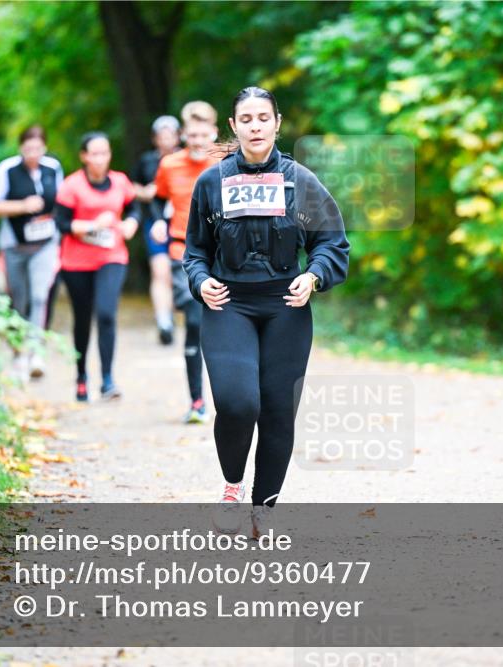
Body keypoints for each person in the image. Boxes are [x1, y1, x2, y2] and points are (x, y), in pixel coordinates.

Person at [183, 87, 350, 537]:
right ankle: (233, 488)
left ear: (278, 123)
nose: (256, 126)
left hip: (285, 306)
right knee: (239, 404)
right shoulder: (211, 182)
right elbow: (194, 252)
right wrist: (201, 282)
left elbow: (332, 243)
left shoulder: (302, 181)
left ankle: (265, 510)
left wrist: (313, 276)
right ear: (233, 127)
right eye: (246, 119)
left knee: (277, 411)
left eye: (264, 118)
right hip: (228, 304)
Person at [54, 132, 140, 402]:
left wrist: (130, 224)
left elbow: (135, 208)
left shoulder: (120, 182)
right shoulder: (72, 186)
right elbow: (61, 224)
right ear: (84, 156)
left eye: (105, 153)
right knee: (82, 319)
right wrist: (92, 226)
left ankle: (107, 379)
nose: (100, 159)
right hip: (76, 261)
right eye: (94, 153)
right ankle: (81, 377)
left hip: (111, 257)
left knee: (105, 313)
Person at [151, 101, 221, 424]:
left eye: (203, 135)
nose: (196, 141)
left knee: (224, 327)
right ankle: (196, 401)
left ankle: (231, 399)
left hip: (223, 256)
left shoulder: (226, 163)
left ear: (215, 134)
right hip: (184, 252)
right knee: (194, 322)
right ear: (183, 135)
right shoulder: (169, 165)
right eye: (191, 134)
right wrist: (156, 221)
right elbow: (158, 198)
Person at [0, 125, 63, 381]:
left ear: (45, 148)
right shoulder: (7, 169)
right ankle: (19, 353)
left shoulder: (53, 168)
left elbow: (61, 200)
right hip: (15, 245)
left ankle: (36, 352)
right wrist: (23, 206)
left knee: (41, 296)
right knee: (20, 300)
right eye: (28, 149)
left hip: (45, 244)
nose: (33, 153)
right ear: (21, 148)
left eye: (38, 148)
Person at [132, 115, 181, 344]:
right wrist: (148, 192)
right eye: (161, 136)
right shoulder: (146, 162)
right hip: (155, 222)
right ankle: (164, 320)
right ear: (154, 139)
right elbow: (132, 188)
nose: (166, 139)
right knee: (160, 271)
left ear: (178, 136)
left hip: (183, 224)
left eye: (170, 134)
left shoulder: (186, 160)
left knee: (180, 272)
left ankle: (184, 314)